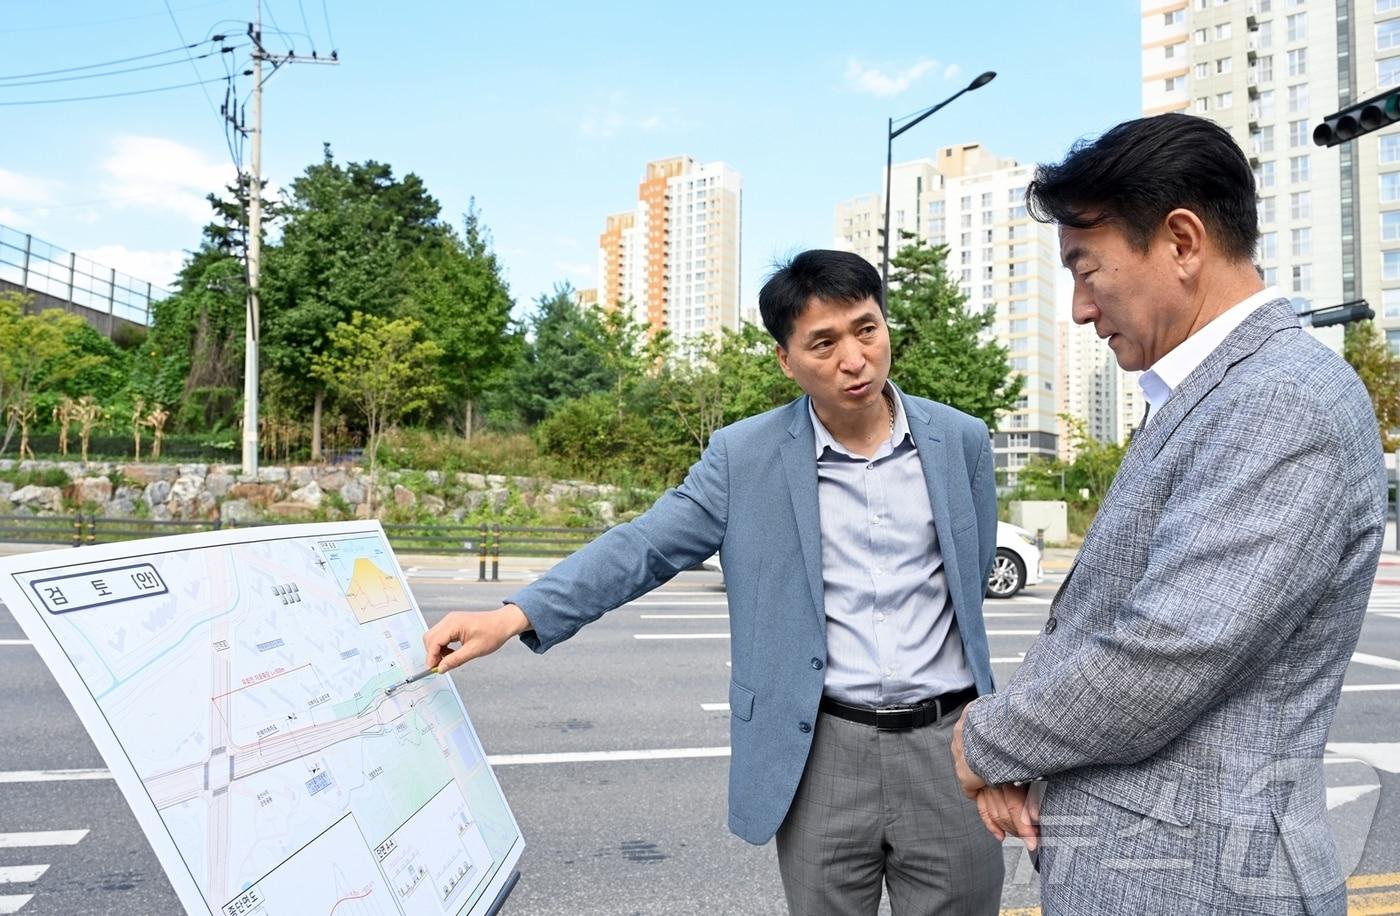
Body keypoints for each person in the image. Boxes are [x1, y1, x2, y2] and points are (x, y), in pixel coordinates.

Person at [426, 249, 1007, 914]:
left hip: (951, 744)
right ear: (786, 360)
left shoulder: (960, 441)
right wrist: (512, 616)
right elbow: (644, 545)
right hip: (820, 751)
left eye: (866, 329)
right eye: (824, 342)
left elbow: (970, 583)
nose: (854, 359)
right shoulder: (744, 457)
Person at [949, 113, 1387, 915]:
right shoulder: (1210, 391)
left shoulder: (1280, 400)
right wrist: (1030, 761)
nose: (1080, 309)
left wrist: (985, 742)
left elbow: (1169, 650)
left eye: (1087, 270)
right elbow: (1105, 617)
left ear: (1182, 242)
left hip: (1204, 885)